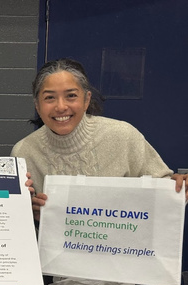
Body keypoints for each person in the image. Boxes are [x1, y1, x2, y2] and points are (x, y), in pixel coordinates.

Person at [11, 58, 187, 222]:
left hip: (123, 251)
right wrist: (31, 215)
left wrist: (179, 189)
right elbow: (19, 227)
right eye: (49, 97)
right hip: (57, 254)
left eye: (71, 95)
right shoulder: (23, 153)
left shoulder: (123, 136)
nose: (61, 106)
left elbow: (165, 198)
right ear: (37, 105)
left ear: (86, 100)